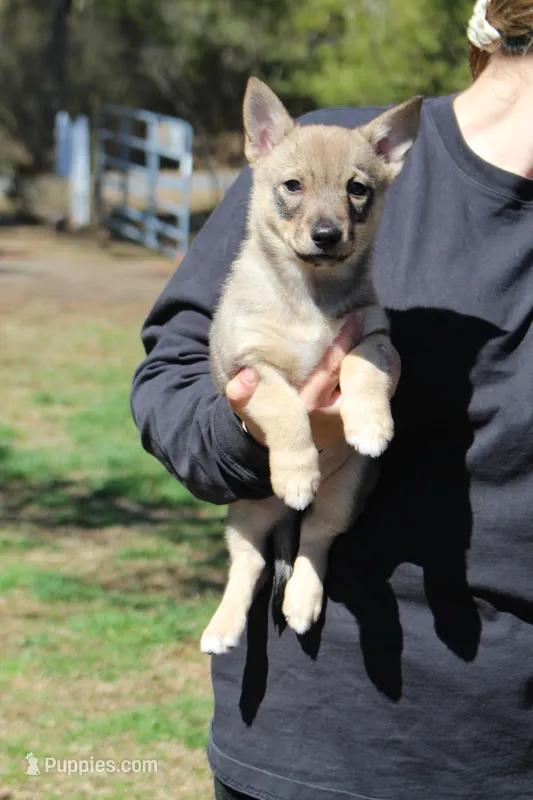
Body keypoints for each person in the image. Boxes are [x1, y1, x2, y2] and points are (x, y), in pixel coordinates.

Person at [131, 1, 533, 797]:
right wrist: (270, 431)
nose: (330, 214)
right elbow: (170, 391)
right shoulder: (329, 148)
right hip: (322, 743)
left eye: (352, 195)